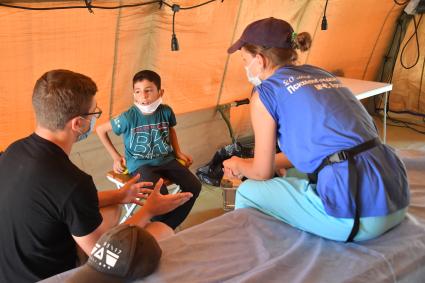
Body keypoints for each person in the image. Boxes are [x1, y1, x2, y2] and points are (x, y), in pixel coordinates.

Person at [223, 17, 409, 242]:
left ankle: (252, 254)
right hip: (395, 196)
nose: (245, 66)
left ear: (260, 60)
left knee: (248, 191)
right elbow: (321, 146)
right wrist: (262, 165)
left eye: (245, 59)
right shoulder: (321, 74)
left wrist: (238, 164)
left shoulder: (266, 94)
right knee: (291, 173)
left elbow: (261, 173)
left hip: (358, 216)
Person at [0, 69, 193, 282]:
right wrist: (148, 211)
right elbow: (102, 253)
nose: (95, 119)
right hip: (52, 277)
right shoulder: (72, 182)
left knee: (112, 208)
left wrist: (119, 196)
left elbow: (59, 202)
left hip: (10, 270)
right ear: (78, 123)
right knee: (161, 231)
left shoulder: (11, 151)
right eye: (94, 113)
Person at [96, 70, 201, 230]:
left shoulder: (166, 111)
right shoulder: (128, 117)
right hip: (140, 165)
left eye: (148, 91)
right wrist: (116, 157)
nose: (143, 96)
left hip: (166, 159)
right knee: (161, 196)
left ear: (160, 92)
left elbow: (170, 130)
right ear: (134, 95)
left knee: (194, 186)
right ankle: (161, 228)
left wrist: (178, 152)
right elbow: (100, 130)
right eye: (137, 92)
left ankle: (165, 226)